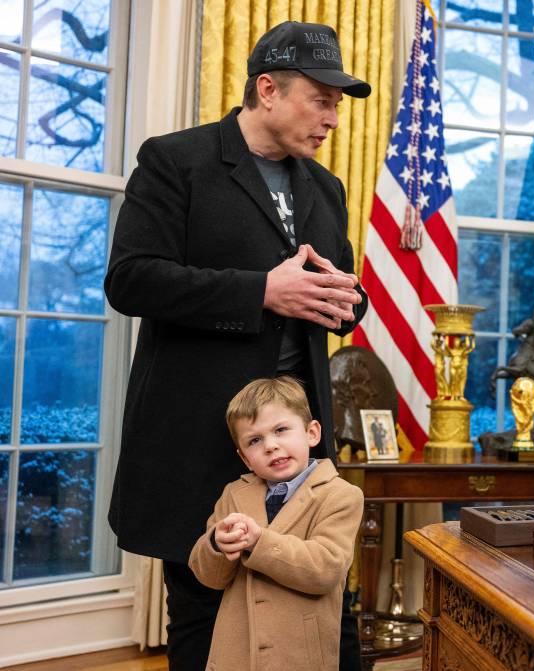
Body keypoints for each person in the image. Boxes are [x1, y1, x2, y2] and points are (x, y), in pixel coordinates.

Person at [104, 21, 369, 671]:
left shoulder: (325, 189)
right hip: (197, 445)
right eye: (323, 98)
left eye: (338, 103)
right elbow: (131, 278)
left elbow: (338, 298)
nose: (333, 118)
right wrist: (259, 292)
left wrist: (346, 300)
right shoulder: (175, 160)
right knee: (204, 617)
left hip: (297, 454)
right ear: (268, 89)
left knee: (318, 612)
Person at [189, 377, 363, 670]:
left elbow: (325, 568)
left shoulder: (341, 496)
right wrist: (216, 545)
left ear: (311, 433)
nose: (271, 446)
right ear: (245, 458)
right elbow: (209, 576)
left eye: (281, 430)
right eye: (255, 440)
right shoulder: (234, 494)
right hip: (235, 658)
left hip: (299, 658)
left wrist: (259, 542)